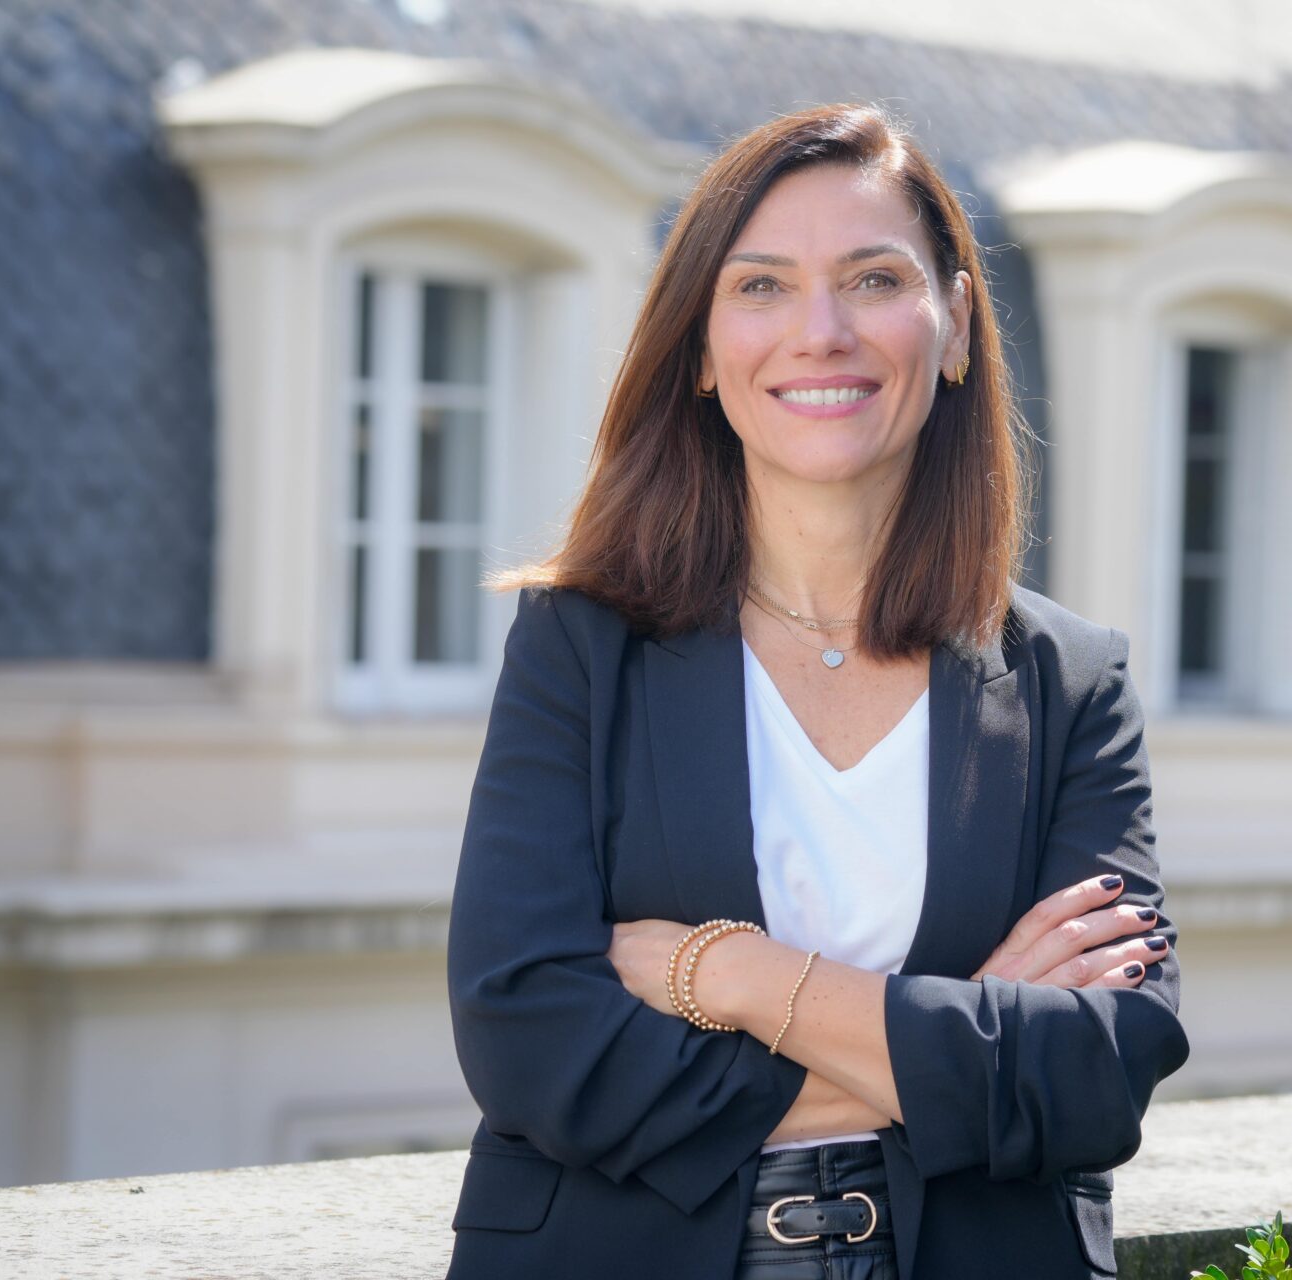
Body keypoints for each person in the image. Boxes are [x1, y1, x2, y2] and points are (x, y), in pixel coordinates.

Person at [444, 101, 1190, 1280]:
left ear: (954, 325)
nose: (821, 331)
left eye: (874, 279)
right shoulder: (580, 647)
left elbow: (1101, 1069)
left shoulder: (1071, 682)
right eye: (762, 286)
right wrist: (962, 1035)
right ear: (701, 348)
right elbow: (531, 1041)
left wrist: (730, 974)